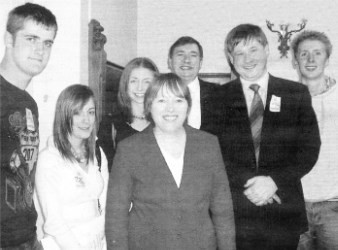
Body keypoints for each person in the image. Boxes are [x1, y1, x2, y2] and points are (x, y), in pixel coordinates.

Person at [217, 24, 321, 250]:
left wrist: (273, 181)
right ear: (231, 59)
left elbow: (309, 148)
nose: (247, 59)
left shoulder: (295, 93)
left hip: (283, 212)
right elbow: (213, 153)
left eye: (253, 50)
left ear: (266, 50)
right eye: (239, 53)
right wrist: (253, 187)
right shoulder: (217, 97)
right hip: (236, 213)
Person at [105, 73, 236, 250]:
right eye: (161, 101)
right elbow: (116, 219)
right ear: (149, 106)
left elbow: (223, 211)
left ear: (188, 105)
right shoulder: (129, 150)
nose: (170, 109)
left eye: (178, 100)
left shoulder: (208, 144)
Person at [0, 3, 57, 249]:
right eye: (31, 38)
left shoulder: (28, 103)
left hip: (26, 236)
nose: (40, 50)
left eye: (47, 42)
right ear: (8, 39)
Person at [34, 85, 109, 250]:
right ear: (65, 116)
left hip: (97, 242)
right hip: (63, 244)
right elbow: (54, 223)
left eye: (90, 112)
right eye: (77, 113)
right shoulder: (49, 159)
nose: (86, 120)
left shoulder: (97, 153)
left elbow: (105, 204)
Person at [291, 31, 338, 250]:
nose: (310, 60)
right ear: (295, 60)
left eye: (317, 53)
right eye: (304, 54)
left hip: (334, 207)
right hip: (295, 207)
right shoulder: (285, 100)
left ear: (327, 59)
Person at [97, 57, 158, 169]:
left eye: (146, 82)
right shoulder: (110, 125)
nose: (140, 87)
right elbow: (105, 172)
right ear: (125, 84)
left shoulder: (163, 124)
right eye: (134, 81)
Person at [168, 36, 220, 134]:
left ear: (200, 63)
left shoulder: (219, 94)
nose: (186, 60)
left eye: (193, 55)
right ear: (170, 62)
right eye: (180, 54)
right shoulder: (159, 94)